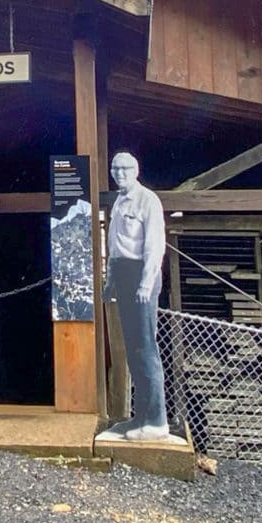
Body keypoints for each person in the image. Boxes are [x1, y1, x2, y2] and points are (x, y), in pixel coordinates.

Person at [99, 151, 173, 442]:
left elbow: (155, 246)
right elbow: (114, 246)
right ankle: (140, 417)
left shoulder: (148, 201)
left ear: (137, 170)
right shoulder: (119, 201)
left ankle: (156, 421)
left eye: (125, 168)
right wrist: (110, 282)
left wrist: (146, 283)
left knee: (145, 349)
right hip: (123, 275)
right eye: (115, 168)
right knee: (133, 351)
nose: (120, 173)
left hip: (141, 276)